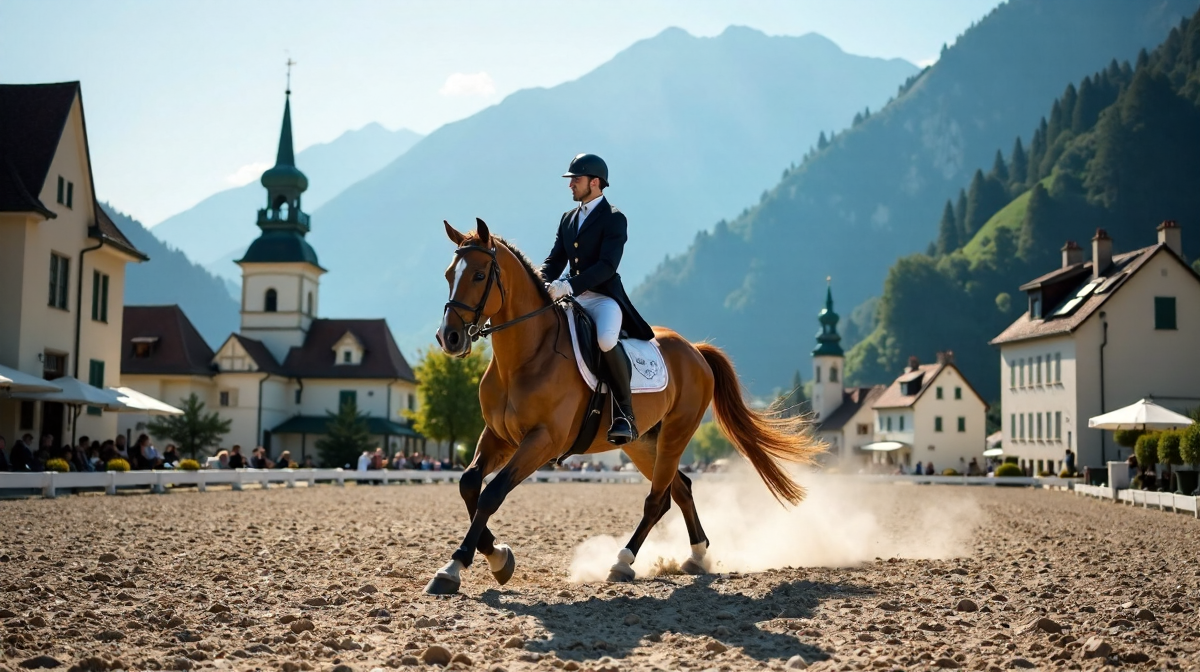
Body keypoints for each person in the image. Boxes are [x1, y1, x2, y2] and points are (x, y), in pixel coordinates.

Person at [539, 154, 655, 445]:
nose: (571, 185)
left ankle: (625, 415)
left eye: (575, 180)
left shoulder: (614, 219)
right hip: (572, 300)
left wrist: (569, 285)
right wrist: (539, 282)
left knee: (605, 340)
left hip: (603, 299)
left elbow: (607, 266)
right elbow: (554, 260)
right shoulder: (568, 219)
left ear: (595, 182)